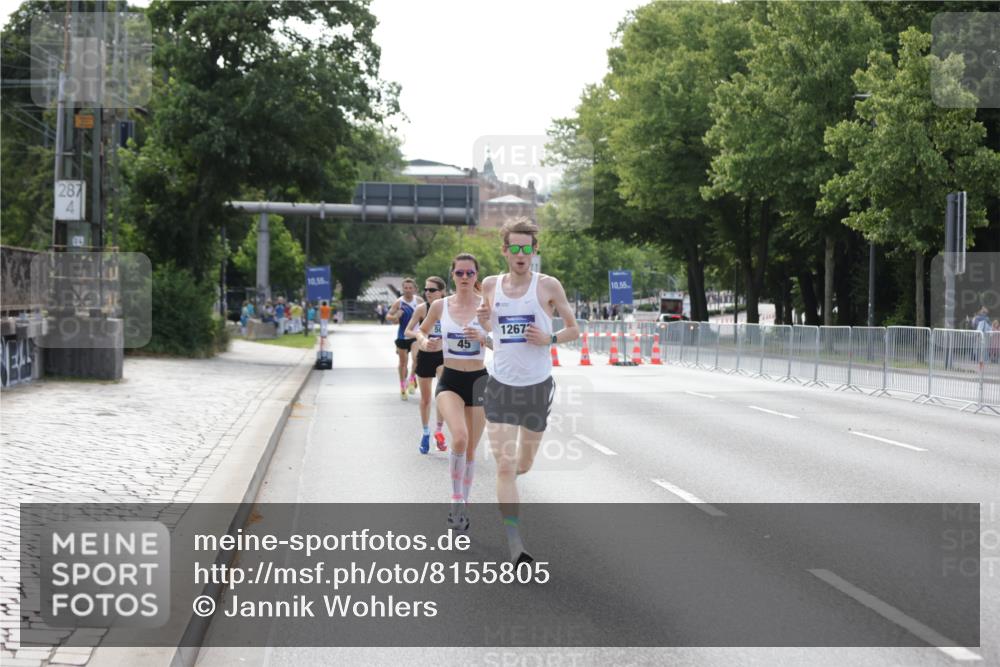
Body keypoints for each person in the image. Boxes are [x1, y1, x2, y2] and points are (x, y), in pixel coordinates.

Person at [477, 218, 579, 565]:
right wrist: (483, 321)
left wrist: (549, 338)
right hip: (500, 387)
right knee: (505, 465)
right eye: (514, 248)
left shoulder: (548, 285)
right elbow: (496, 334)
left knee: (524, 463)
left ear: (534, 251)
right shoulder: (490, 285)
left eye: (526, 248)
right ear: (505, 251)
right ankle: (514, 543)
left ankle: (507, 490)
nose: (521, 254)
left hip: (536, 388)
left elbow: (574, 329)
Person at [416, 254, 490, 531]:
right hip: (450, 379)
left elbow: (501, 344)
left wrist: (484, 337)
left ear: (476, 276)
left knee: (471, 449)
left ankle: (463, 508)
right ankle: (455, 498)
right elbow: (420, 332)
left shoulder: (486, 307)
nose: (464, 278)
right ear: (452, 275)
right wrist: (426, 343)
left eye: (469, 273)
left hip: (479, 380)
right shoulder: (439, 305)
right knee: (459, 436)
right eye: (459, 273)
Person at [405, 276, 449, 454]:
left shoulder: (448, 308)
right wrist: (420, 337)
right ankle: (425, 432)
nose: (428, 293)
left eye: (432, 290)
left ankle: (438, 430)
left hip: (443, 355)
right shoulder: (422, 309)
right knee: (425, 399)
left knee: (441, 394)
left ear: (442, 292)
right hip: (425, 355)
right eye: (426, 289)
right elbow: (407, 330)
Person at [386, 278, 423, 401]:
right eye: (405, 288)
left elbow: (427, 315)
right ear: (403, 289)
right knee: (403, 363)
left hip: (415, 335)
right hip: (402, 336)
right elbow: (388, 316)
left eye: (410, 288)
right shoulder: (399, 302)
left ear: (414, 289)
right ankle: (402, 386)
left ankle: (412, 380)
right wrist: (396, 316)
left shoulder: (419, 301)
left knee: (416, 358)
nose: (407, 290)